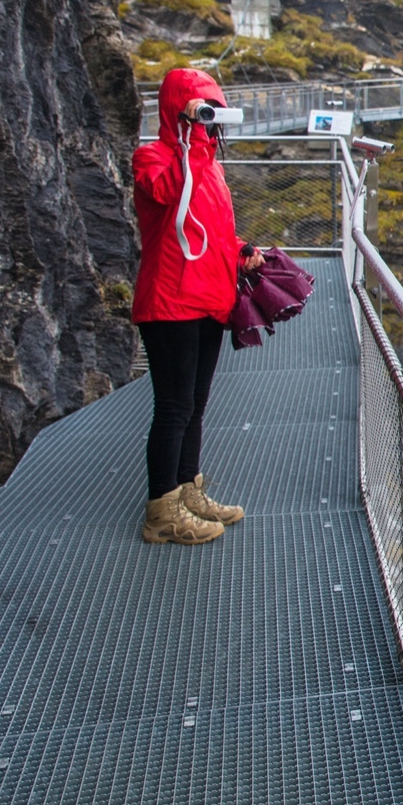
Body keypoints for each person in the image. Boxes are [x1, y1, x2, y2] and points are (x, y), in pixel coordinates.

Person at [131, 68, 263, 545]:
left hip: (208, 300)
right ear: (176, 111)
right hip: (169, 302)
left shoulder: (211, 167)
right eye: (201, 110)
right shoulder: (153, 158)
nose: (209, 122)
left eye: (213, 111)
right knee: (173, 406)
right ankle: (161, 512)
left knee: (195, 405)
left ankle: (188, 491)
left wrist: (241, 250)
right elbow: (166, 194)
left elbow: (212, 232)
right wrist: (185, 137)